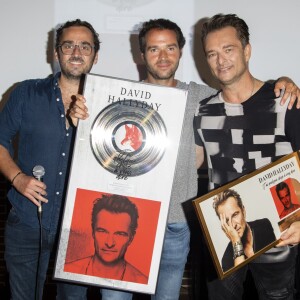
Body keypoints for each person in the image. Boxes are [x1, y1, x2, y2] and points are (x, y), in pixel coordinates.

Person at [69, 18, 299, 300]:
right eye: (154, 49)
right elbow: (95, 132)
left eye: (170, 48)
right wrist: (82, 111)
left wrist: (285, 83)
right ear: (142, 55)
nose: (163, 57)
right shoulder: (124, 99)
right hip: (158, 223)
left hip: (203, 227)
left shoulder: (206, 99)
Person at [0, 19, 129, 300]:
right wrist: (18, 178)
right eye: (68, 45)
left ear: (95, 55)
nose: (76, 52)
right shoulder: (25, 93)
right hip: (26, 221)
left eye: (85, 46)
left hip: (81, 229)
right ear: (56, 53)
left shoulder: (112, 104)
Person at [194, 13, 300, 299]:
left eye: (228, 50)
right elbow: (191, 162)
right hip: (222, 235)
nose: (221, 61)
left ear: (247, 50)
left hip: (280, 235)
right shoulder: (202, 112)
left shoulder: (284, 102)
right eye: (212, 54)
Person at [65, 194, 148, 283]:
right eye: (102, 231)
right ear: (93, 232)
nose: (109, 243)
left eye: (119, 234)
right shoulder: (67, 270)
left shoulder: (141, 281)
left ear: (131, 238)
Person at [213, 189, 276, 272]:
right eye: (227, 220)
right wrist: (236, 241)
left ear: (243, 211)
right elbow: (238, 283)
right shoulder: (227, 259)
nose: (233, 225)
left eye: (235, 215)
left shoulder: (264, 225)